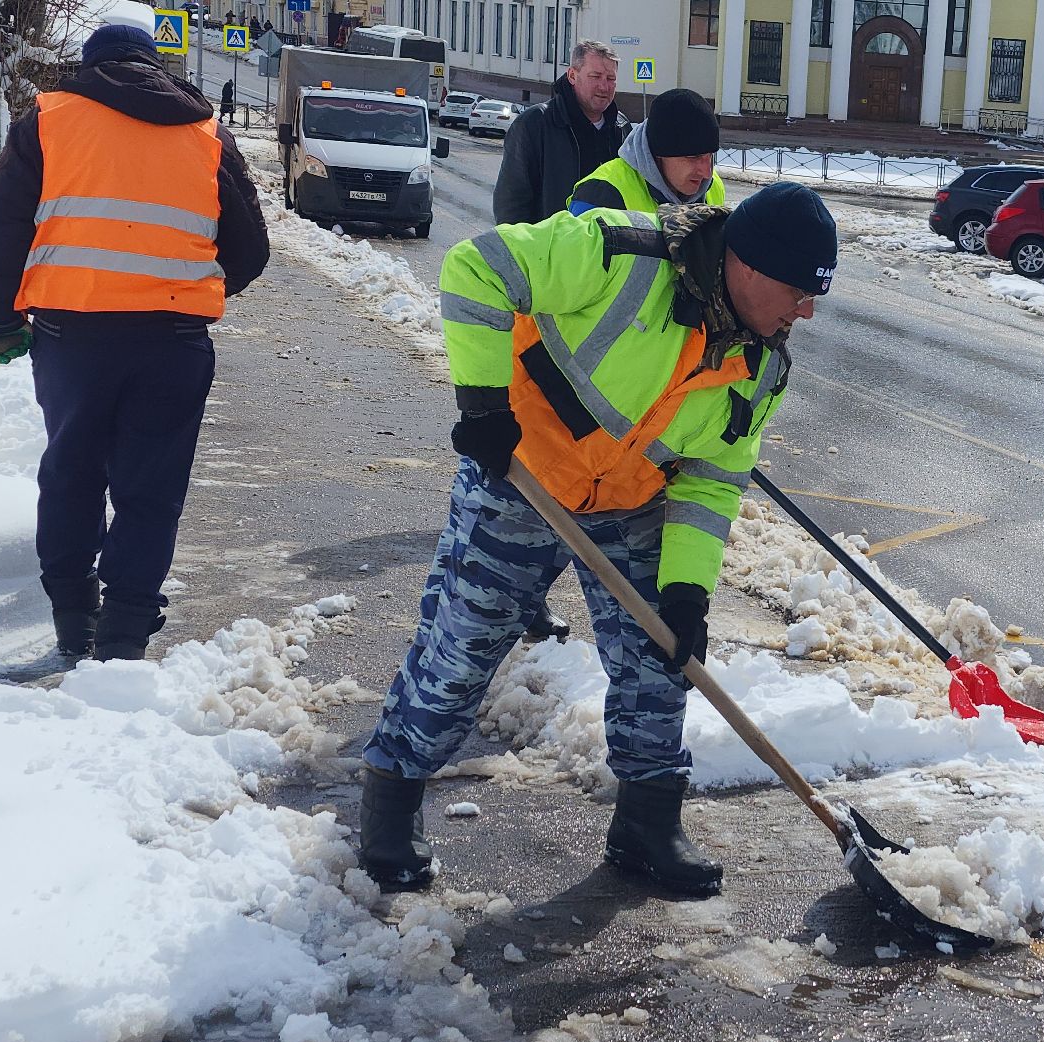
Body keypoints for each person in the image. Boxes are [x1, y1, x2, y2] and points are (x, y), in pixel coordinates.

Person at [358, 182, 838, 897]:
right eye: (798, 292)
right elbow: (476, 267)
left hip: (631, 499)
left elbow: (710, 483)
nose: (803, 313)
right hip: (520, 471)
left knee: (661, 658)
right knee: (464, 646)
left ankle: (646, 822)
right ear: (746, 264)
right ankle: (392, 796)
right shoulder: (622, 254)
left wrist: (684, 593)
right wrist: (484, 404)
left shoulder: (762, 365)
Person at [0, 25, 269, 662]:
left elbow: (0, 228)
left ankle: (75, 621)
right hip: (173, 341)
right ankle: (126, 634)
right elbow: (249, 251)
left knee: (72, 471)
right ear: (154, 67)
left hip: (70, 336)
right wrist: (187, 286)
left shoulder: (48, 122)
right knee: (151, 488)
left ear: (90, 65)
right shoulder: (206, 136)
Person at [493, 39, 626, 225]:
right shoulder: (535, 124)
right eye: (595, 76)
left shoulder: (622, 129)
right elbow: (511, 203)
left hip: (607, 250)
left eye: (610, 79)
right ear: (572, 75)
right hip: (551, 248)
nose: (604, 87)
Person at [568, 87, 724, 216]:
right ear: (658, 154)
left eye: (710, 156)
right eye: (693, 157)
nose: (706, 173)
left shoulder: (713, 186)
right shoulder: (600, 195)